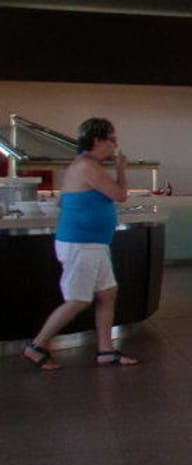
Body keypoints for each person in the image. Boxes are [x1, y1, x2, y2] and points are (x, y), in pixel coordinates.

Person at [22, 117, 139, 369]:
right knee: (78, 300)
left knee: (107, 293)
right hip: (81, 244)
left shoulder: (87, 165)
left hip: (93, 243)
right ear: (97, 140)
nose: (114, 145)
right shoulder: (86, 166)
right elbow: (120, 195)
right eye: (112, 140)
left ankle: (106, 350)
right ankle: (37, 346)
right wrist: (121, 169)